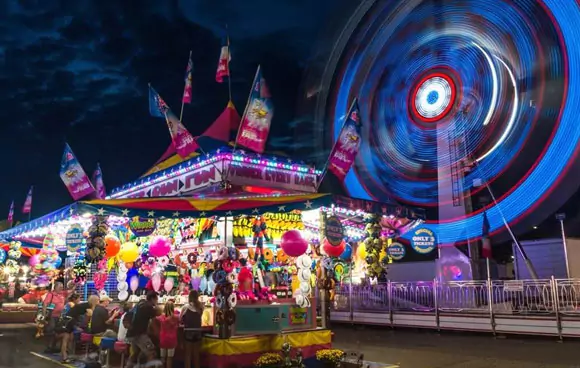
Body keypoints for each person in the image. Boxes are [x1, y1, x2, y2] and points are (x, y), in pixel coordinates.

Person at [57, 295, 99, 363]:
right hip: (69, 322)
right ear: (94, 301)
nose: (98, 302)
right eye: (97, 300)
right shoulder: (88, 306)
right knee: (66, 339)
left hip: (68, 320)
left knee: (69, 338)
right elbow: (89, 317)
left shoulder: (85, 305)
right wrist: (79, 326)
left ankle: (68, 355)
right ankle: (64, 357)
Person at [126, 291, 162, 368]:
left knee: (135, 353)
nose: (157, 301)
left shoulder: (140, 302)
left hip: (131, 333)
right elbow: (158, 313)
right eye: (156, 299)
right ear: (152, 299)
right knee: (151, 352)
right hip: (139, 334)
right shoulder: (148, 307)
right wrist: (156, 306)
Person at [43, 282, 73, 353]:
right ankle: (49, 347)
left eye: (62, 287)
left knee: (57, 331)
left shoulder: (62, 294)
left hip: (60, 317)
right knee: (52, 331)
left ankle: (53, 346)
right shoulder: (51, 294)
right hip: (52, 316)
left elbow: (71, 291)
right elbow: (45, 304)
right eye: (60, 287)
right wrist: (44, 316)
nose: (61, 289)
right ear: (55, 287)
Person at [180, 290, 203, 368]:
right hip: (198, 332)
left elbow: (180, 319)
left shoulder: (186, 307)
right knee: (196, 355)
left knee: (188, 355)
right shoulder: (200, 307)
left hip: (188, 332)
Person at [157, 302, 179, 368]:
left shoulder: (160, 318)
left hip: (163, 339)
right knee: (170, 358)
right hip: (172, 340)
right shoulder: (175, 317)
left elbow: (154, 319)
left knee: (162, 358)